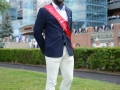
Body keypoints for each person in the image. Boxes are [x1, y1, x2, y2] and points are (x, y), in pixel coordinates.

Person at [34, 0, 74, 90]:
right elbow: (37, 32)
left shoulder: (69, 11)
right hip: (52, 51)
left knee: (69, 79)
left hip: (67, 51)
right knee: (51, 82)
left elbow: (69, 31)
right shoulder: (44, 11)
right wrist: (46, 48)